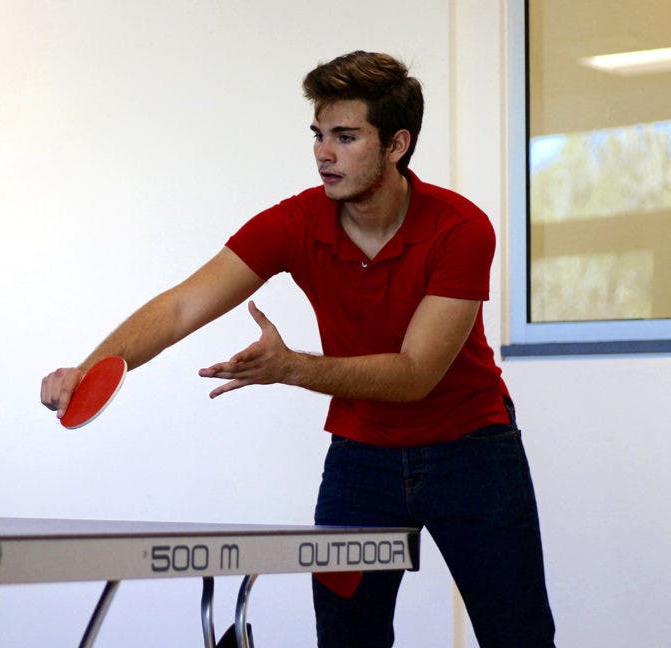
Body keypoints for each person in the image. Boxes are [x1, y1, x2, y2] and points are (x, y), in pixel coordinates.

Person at [41, 50, 555, 647]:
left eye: (345, 136)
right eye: (318, 135)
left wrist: (290, 368)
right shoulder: (292, 223)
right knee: (345, 641)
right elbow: (182, 305)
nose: (323, 153)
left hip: (472, 454)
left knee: (519, 637)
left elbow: (416, 374)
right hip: (361, 464)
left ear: (396, 145)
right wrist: (94, 366)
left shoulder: (461, 229)